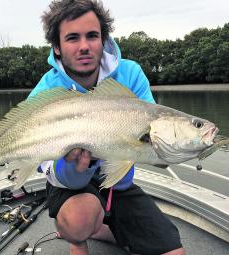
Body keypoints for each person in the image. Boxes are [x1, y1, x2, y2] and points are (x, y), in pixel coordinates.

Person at [28, 1, 185, 254]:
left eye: (92, 36)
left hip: (120, 184)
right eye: (72, 38)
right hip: (71, 187)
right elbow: (43, 164)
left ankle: (103, 229)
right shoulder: (45, 91)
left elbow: (155, 144)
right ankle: (78, 236)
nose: (84, 46)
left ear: (103, 40)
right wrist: (75, 168)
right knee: (79, 220)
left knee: (175, 252)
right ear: (57, 47)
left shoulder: (130, 74)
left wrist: (177, 148)